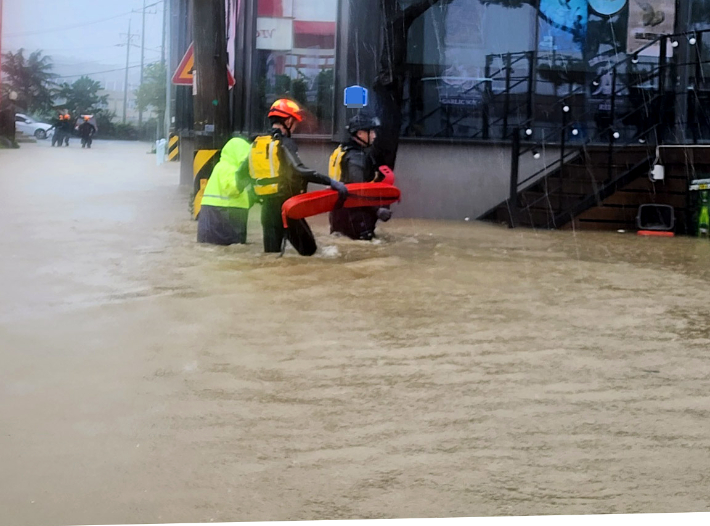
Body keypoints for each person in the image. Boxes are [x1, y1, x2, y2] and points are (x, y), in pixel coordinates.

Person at [249, 99, 348, 256]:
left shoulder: (258, 144)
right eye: (294, 123)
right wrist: (330, 181)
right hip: (288, 209)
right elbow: (299, 170)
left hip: (267, 210)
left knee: (271, 257)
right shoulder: (284, 142)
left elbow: (242, 175)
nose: (294, 128)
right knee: (311, 253)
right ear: (288, 120)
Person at [329, 112, 392, 240]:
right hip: (356, 218)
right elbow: (358, 190)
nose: (374, 136)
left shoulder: (343, 150)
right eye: (371, 132)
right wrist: (377, 210)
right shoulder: (357, 157)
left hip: (338, 214)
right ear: (360, 134)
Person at [197, 137, 253, 246]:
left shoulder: (223, 166)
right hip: (222, 215)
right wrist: (245, 173)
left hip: (219, 215)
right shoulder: (227, 167)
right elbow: (233, 189)